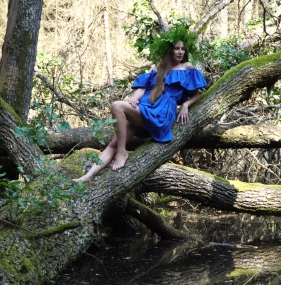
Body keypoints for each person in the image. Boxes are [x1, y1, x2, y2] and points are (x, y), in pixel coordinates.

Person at [71, 27, 207, 183]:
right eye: (177, 48)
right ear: (169, 50)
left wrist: (185, 105)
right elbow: (141, 90)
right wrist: (134, 99)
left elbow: (196, 94)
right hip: (143, 108)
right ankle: (87, 176)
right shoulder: (158, 68)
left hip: (160, 113)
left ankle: (122, 153)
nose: (180, 52)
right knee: (114, 142)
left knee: (116, 106)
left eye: (183, 49)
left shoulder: (187, 67)